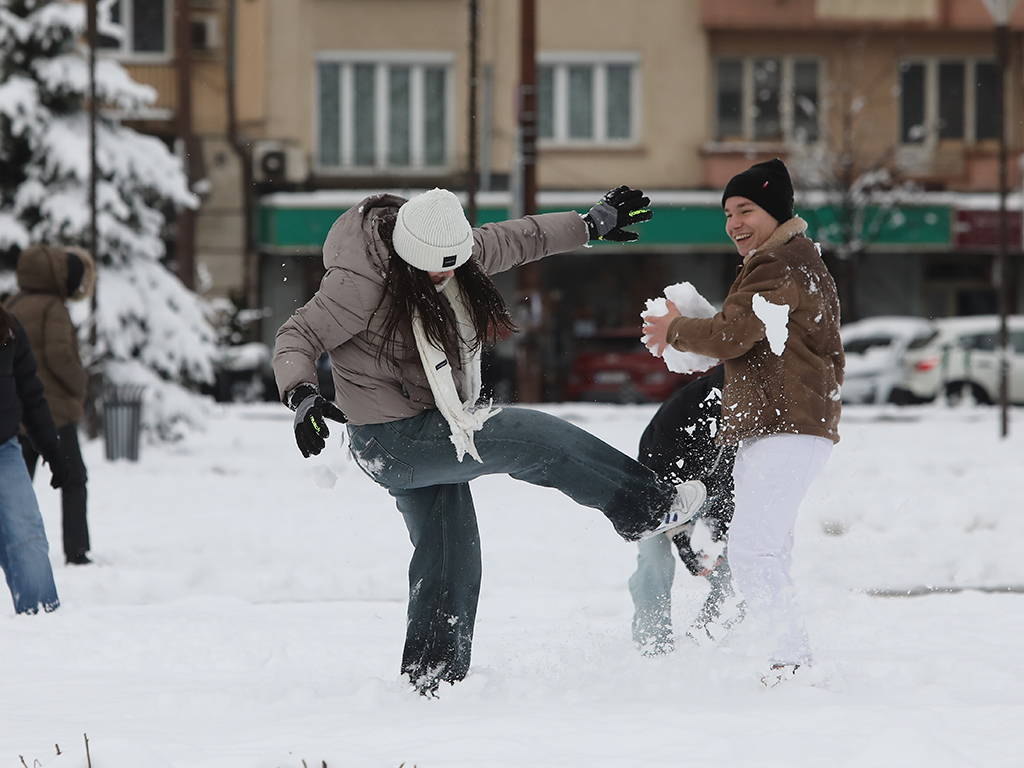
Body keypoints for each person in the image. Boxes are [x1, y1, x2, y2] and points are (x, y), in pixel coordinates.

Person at [273, 186, 707, 695]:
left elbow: (521, 237)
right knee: (529, 437)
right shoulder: (360, 283)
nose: (445, 277)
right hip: (390, 440)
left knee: (452, 552)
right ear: (409, 254)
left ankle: (433, 680)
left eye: (452, 266)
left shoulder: (447, 247)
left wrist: (590, 224)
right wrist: (301, 394)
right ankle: (647, 506)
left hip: (436, 424)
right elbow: (296, 335)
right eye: (434, 269)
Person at [642, 159, 844, 683]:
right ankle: (791, 657)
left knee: (754, 551)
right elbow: (754, 338)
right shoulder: (789, 261)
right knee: (768, 550)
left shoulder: (779, 263)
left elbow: (735, 334)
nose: (734, 222)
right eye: (728, 212)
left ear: (774, 211)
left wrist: (676, 329)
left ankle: (791, 662)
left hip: (786, 427)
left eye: (746, 210)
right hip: (781, 426)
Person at [628, 365, 741, 656]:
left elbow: (732, 482)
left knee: (737, 567)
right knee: (655, 560)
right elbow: (659, 475)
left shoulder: (749, 415)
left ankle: (704, 641)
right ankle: (652, 644)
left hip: (711, 497)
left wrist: (717, 535)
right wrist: (683, 538)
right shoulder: (683, 408)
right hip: (655, 495)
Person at [5, 244, 95, 565]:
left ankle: (10, 547)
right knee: (73, 479)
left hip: (18, 413)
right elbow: (61, 357)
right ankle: (77, 550)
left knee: (16, 487)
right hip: (53, 414)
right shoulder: (53, 308)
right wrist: (80, 383)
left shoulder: (12, 304)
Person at [0, 304, 65, 614]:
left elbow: (29, 392)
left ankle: (42, 618)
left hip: (3, 449)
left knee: (27, 533)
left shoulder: (8, 329)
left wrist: (51, 449)